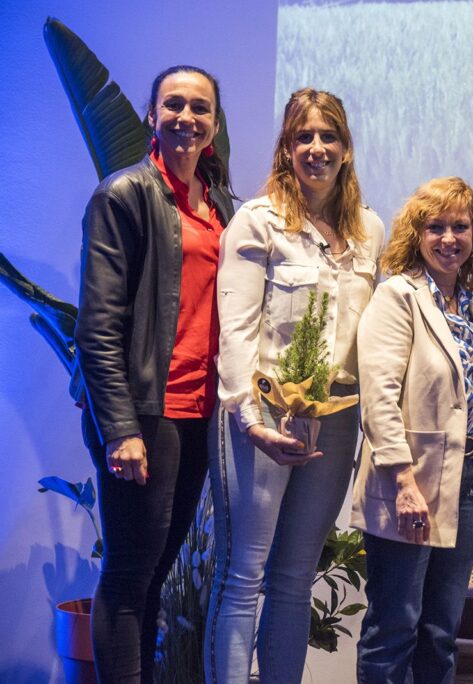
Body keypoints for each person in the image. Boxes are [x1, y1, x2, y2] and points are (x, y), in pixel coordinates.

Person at [206, 88, 385, 683]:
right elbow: (235, 330)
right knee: (244, 574)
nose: (316, 148)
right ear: (286, 147)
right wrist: (248, 419)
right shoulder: (257, 221)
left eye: (328, 136)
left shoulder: (369, 231)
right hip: (260, 411)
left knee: (294, 577)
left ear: (347, 149)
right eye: (303, 136)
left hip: (335, 418)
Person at [74, 65, 235, 681]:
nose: (186, 118)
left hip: (196, 414)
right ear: (151, 114)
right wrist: (120, 429)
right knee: (128, 574)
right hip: (146, 414)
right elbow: (98, 325)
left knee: (154, 574)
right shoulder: (124, 195)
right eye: (174, 104)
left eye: (200, 108)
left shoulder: (219, 208)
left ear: (215, 124)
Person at [351, 176, 473, 683]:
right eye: (435, 226)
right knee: (394, 625)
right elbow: (378, 398)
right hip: (412, 479)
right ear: (415, 235)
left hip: (471, 477)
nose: (448, 238)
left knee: (441, 631)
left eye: (459, 227)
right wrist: (402, 482)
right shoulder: (397, 295)